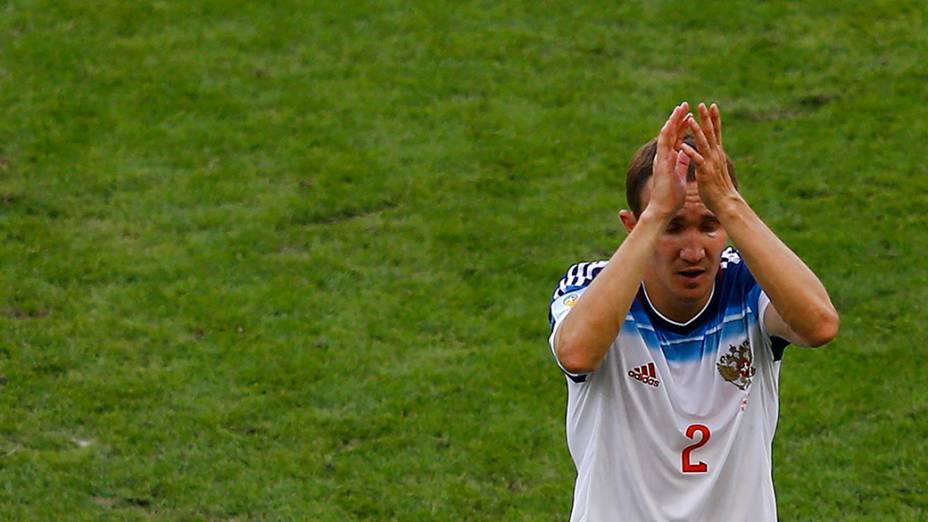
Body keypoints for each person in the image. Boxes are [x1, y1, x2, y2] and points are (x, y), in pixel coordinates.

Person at [547, 102, 839, 521]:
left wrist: (731, 205)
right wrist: (656, 214)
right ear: (633, 225)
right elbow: (577, 353)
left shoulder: (748, 286)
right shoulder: (590, 286)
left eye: (708, 225)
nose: (692, 251)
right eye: (672, 226)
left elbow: (820, 324)